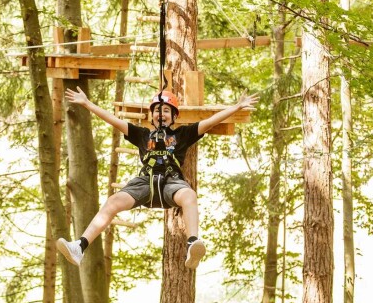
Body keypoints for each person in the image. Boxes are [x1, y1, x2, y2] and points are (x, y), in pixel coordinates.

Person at [56, 87, 258, 270]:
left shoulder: (183, 134)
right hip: (145, 183)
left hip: (171, 182)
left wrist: (236, 107)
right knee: (113, 202)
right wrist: (87, 103)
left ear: (173, 117)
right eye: (158, 111)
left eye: (166, 111)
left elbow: (211, 121)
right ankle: (79, 247)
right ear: (151, 115)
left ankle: (192, 243)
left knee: (189, 195)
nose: (161, 114)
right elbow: (112, 120)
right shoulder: (141, 135)